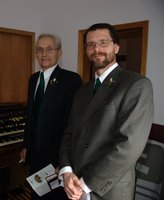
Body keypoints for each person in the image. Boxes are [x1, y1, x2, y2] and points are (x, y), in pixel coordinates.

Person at [58, 23, 154, 200]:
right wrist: (66, 171)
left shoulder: (136, 85)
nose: (96, 49)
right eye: (90, 44)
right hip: (74, 185)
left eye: (103, 42)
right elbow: (69, 133)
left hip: (108, 190)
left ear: (116, 47)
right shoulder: (82, 91)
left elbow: (128, 147)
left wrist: (85, 185)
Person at [20, 33, 82, 199]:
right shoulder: (33, 79)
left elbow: (73, 123)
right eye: (40, 50)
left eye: (49, 49)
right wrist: (26, 145)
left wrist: (64, 161)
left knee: (54, 196)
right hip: (34, 153)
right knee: (37, 193)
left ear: (59, 52)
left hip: (56, 155)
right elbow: (31, 115)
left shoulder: (71, 80)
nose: (44, 53)